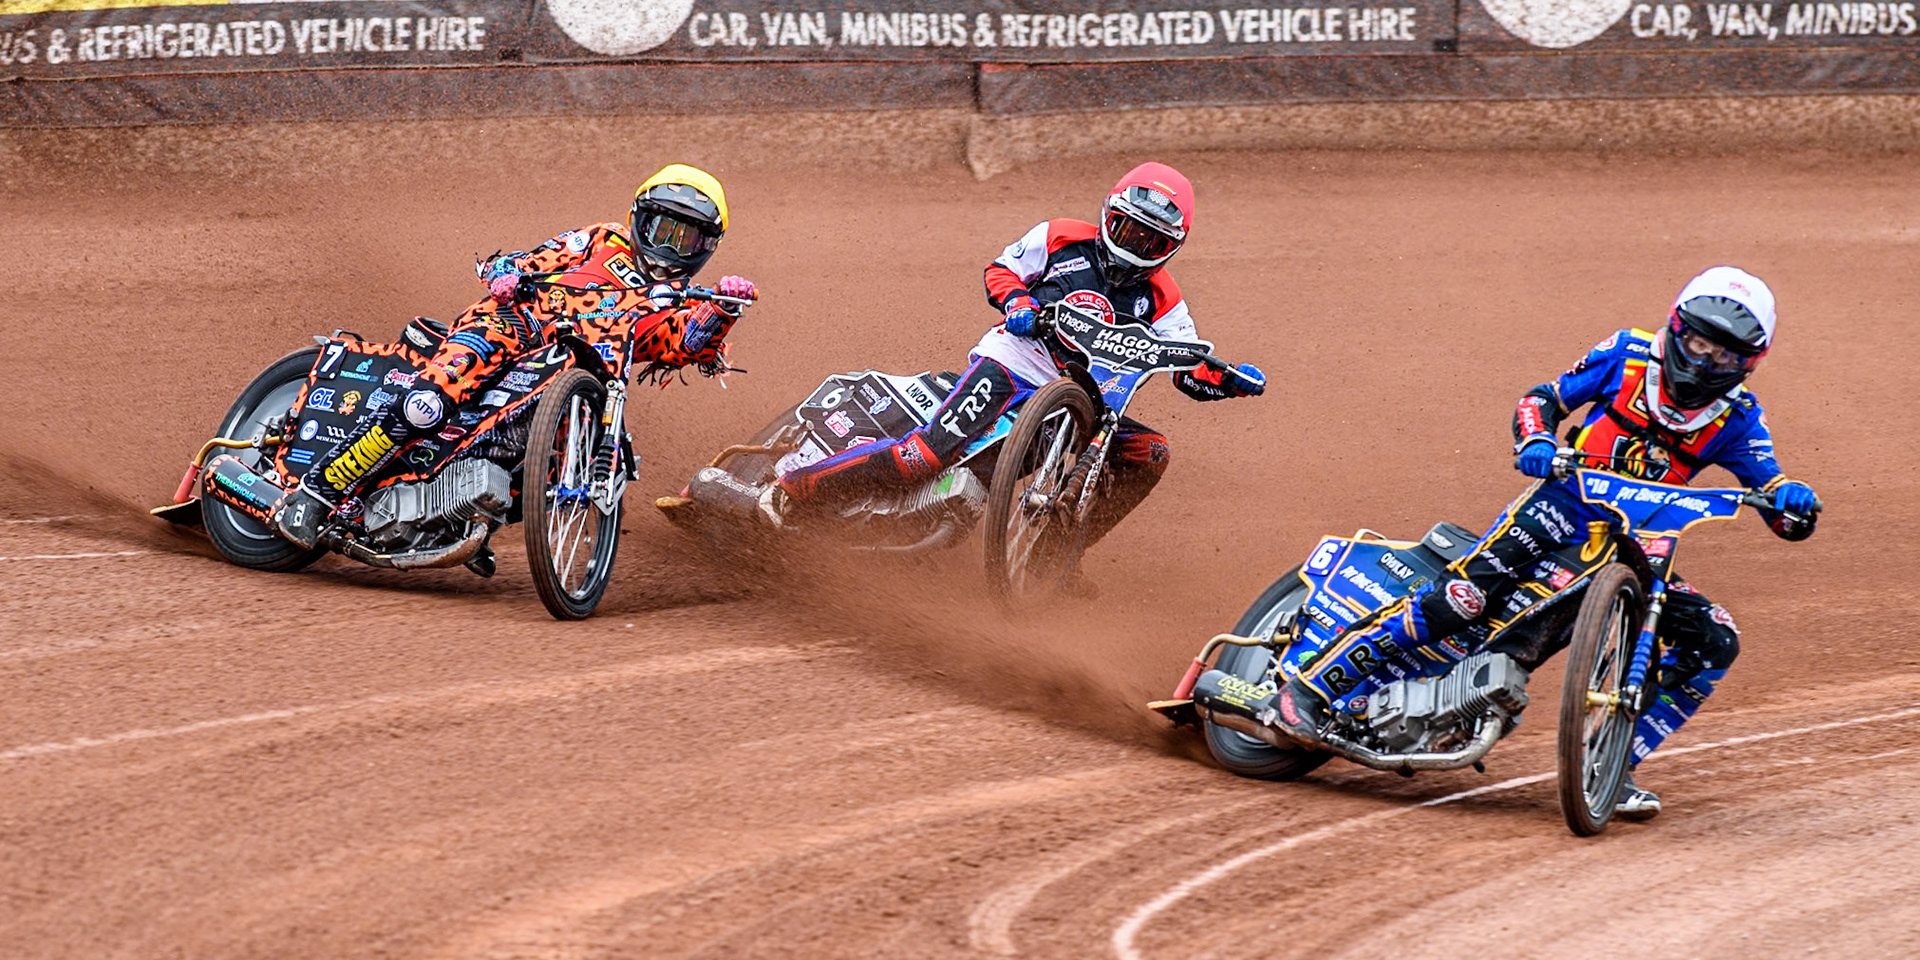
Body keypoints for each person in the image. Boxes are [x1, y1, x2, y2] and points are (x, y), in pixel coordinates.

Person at [1272, 266, 1820, 819]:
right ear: (1679, 330)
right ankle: (1312, 688)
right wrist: (1535, 439)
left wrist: (1792, 504)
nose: (1706, 363)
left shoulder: (1740, 417)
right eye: (1701, 344)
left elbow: (1770, 492)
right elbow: (1544, 398)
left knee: (1715, 640)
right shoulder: (1627, 356)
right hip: (1561, 505)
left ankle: (1612, 765)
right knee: (1464, 599)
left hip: (1642, 540)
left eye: (1725, 357)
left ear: (1748, 362)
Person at [760, 161, 1265, 552]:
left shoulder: (1166, 300)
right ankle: (793, 490)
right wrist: (1018, 302)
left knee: (1150, 452)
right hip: (1013, 363)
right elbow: (1001, 270)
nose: (1135, 244)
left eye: (1150, 240)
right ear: (1108, 213)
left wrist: (1228, 381)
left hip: (1085, 403)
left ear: (1171, 246)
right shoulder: (1060, 235)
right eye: (1127, 227)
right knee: (924, 457)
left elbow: (1189, 369)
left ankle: (1057, 552)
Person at [274, 163, 759, 548]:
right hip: (511, 325)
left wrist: (724, 309)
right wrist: (506, 274)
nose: (669, 246)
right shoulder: (600, 239)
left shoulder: (687, 300)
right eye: (661, 228)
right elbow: (530, 259)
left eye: (686, 237)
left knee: (546, 467)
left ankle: (459, 514)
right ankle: (316, 495)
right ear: (638, 219)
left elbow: (685, 343)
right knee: (430, 402)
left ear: (707, 248)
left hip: (575, 384)